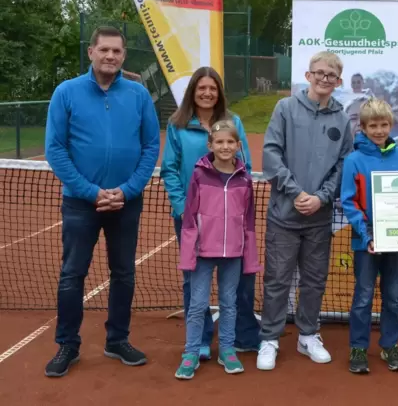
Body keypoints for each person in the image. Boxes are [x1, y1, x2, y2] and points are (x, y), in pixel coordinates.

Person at [43, 26, 161, 377]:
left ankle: (117, 340)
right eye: (104, 50)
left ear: (124, 56)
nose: (111, 56)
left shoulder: (139, 96)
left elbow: (151, 146)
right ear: (91, 52)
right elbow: (55, 149)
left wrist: (127, 190)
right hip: (81, 203)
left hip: (127, 202)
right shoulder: (66, 92)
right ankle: (67, 345)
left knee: (123, 273)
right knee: (72, 275)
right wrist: (91, 192)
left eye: (117, 51)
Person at [257, 51, 353, 371]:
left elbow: (343, 165)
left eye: (331, 75)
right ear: (308, 75)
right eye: (320, 73)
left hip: (320, 217)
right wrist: (297, 193)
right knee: (277, 279)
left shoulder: (342, 118)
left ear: (338, 82)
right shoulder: (285, 108)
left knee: (314, 280)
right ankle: (269, 338)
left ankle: (307, 335)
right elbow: (271, 155)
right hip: (284, 214)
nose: (325, 79)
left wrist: (321, 197)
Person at [161, 67, 258, 361]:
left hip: (229, 219)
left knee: (239, 280)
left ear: (219, 92)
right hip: (193, 220)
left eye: (212, 88)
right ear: (193, 91)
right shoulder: (178, 124)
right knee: (195, 282)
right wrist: (183, 210)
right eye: (201, 88)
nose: (207, 93)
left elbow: (246, 168)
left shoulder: (233, 122)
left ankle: (240, 337)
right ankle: (201, 340)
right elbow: (170, 170)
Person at [174, 120, 261, 379]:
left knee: (229, 303)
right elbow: (189, 217)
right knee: (198, 303)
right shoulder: (199, 175)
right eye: (219, 142)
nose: (225, 146)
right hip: (202, 252)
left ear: (238, 145)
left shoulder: (244, 179)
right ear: (210, 145)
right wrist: (189, 251)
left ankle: (226, 349)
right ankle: (190, 353)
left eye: (230, 142)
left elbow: (248, 219)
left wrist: (249, 254)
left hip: (233, 253)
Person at [340, 98, 398, 374]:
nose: (379, 130)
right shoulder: (353, 160)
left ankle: (389, 345)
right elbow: (348, 201)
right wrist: (366, 233)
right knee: (363, 296)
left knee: (393, 297)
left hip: (396, 241)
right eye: (373, 126)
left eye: (384, 125)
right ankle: (358, 347)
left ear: (391, 125)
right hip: (365, 242)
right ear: (364, 127)